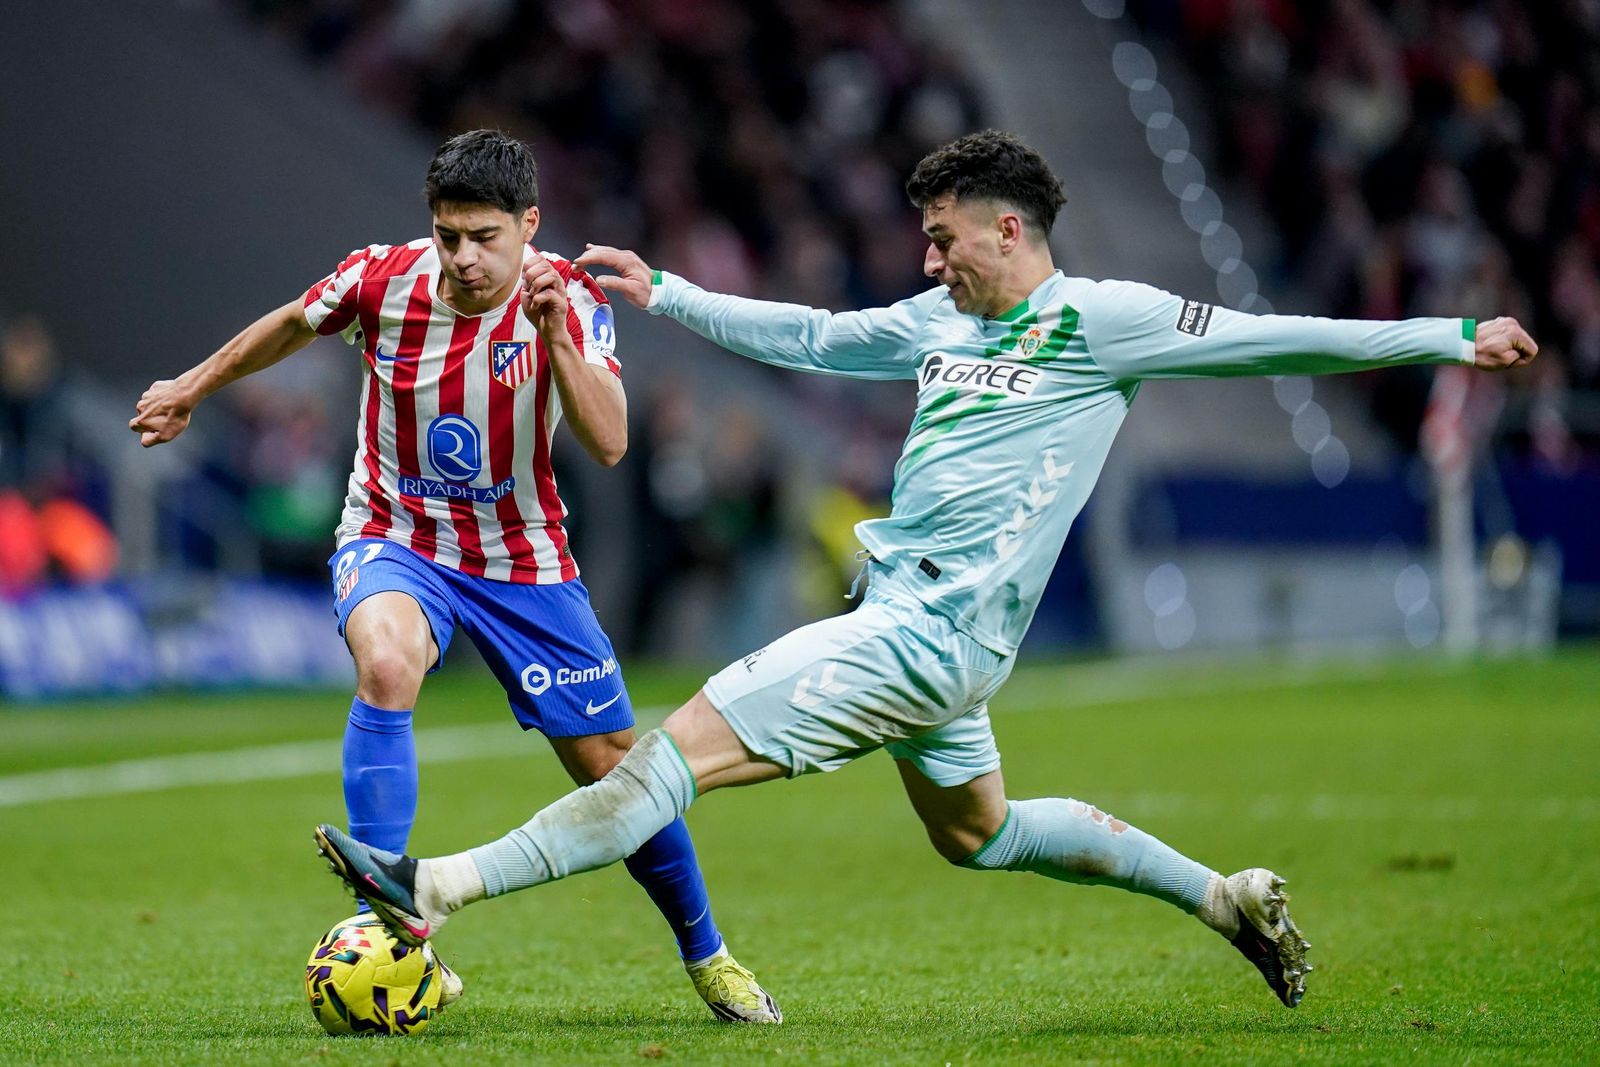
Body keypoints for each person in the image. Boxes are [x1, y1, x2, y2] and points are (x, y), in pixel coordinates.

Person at [314, 129, 1539, 1012]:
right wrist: (672, 293)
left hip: (921, 637)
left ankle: (430, 884)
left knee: (661, 758)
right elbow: (813, 336)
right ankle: (1223, 896)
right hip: (928, 636)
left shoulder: (1104, 321)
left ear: (1008, 229)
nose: (930, 257)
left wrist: (1451, 340)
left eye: (944, 237)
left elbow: (1278, 337)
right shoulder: (940, 321)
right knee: (982, 834)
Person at [130, 129, 779, 1023]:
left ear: (529, 226)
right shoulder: (382, 279)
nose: (465, 257)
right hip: (395, 532)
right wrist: (193, 387)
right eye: (449, 236)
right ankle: (384, 929)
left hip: (522, 560)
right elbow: (291, 321)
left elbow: (613, 438)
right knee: (387, 665)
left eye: (485, 237)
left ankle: (707, 953)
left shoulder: (574, 300)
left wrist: (554, 339)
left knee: (612, 770)